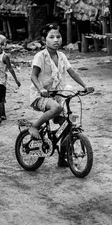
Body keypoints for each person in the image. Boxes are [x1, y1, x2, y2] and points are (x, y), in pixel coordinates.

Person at [28, 23, 89, 166]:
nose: (56, 40)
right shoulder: (40, 56)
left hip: (57, 94)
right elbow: (33, 76)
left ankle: (62, 158)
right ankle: (34, 126)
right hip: (40, 95)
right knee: (56, 108)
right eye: (51, 37)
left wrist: (85, 86)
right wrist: (41, 89)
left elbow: (72, 72)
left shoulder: (61, 56)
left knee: (67, 126)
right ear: (45, 40)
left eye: (58, 37)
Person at [0, 34, 21, 125]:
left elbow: (10, 68)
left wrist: (16, 80)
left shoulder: (5, 56)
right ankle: (3, 114)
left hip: (1, 81)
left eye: (2, 44)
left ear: (5, 45)